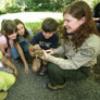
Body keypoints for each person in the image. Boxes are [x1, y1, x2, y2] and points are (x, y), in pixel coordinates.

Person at [39, 1, 100, 90]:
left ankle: (58, 84)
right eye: (64, 20)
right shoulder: (72, 30)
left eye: (68, 20)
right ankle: (59, 77)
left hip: (82, 68)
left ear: (82, 20)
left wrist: (49, 58)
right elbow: (65, 47)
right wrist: (54, 51)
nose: (64, 24)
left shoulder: (92, 43)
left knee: (52, 67)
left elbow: (73, 64)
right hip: (70, 59)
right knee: (53, 58)